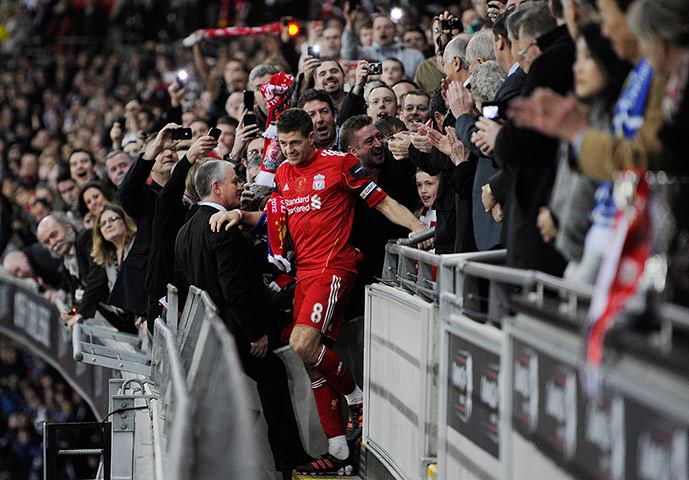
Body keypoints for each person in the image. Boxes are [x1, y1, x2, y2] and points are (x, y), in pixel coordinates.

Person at [210, 108, 425, 476]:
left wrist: (418, 227)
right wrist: (239, 216)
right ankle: (339, 448)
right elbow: (274, 217)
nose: (289, 150)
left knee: (302, 346)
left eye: (295, 143)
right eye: (283, 143)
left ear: (312, 137)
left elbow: (383, 201)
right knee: (313, 363)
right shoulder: (282, 173)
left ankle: (357, 398)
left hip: (334, 267)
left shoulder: (341, 164)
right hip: (304, 273)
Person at [174, 160, 310, 479]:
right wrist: (254, 334)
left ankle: (282, 459)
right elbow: (233, 288)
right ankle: (288, 459)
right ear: (216, 188)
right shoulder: (222, 226)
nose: (240, 186)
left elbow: (184, 284)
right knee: (272, 373)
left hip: (210, 333)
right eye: (235, 181)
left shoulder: (184, 232)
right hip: (234, 332)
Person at [92, 202, 149, 320]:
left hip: (149, 311)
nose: (108, 225)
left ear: (124, 221)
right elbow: (113, 293)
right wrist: (119, 307)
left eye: (112, 219)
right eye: (102, 224)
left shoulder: (137, 243)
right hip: (136, 320)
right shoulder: (108, 258)